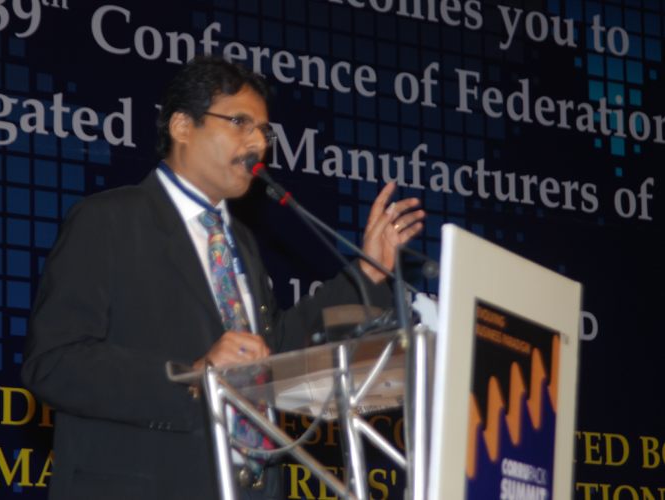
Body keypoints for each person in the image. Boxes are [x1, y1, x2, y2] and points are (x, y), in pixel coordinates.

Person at [22, 57, 424, 500]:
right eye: (239, 123)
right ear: (182, 126)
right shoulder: (109, 220)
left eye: (264, 131)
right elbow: (55, 364)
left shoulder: (241, 243)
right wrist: (192, 377)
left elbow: (272, 352)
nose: (258, 142)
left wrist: (368, 271)